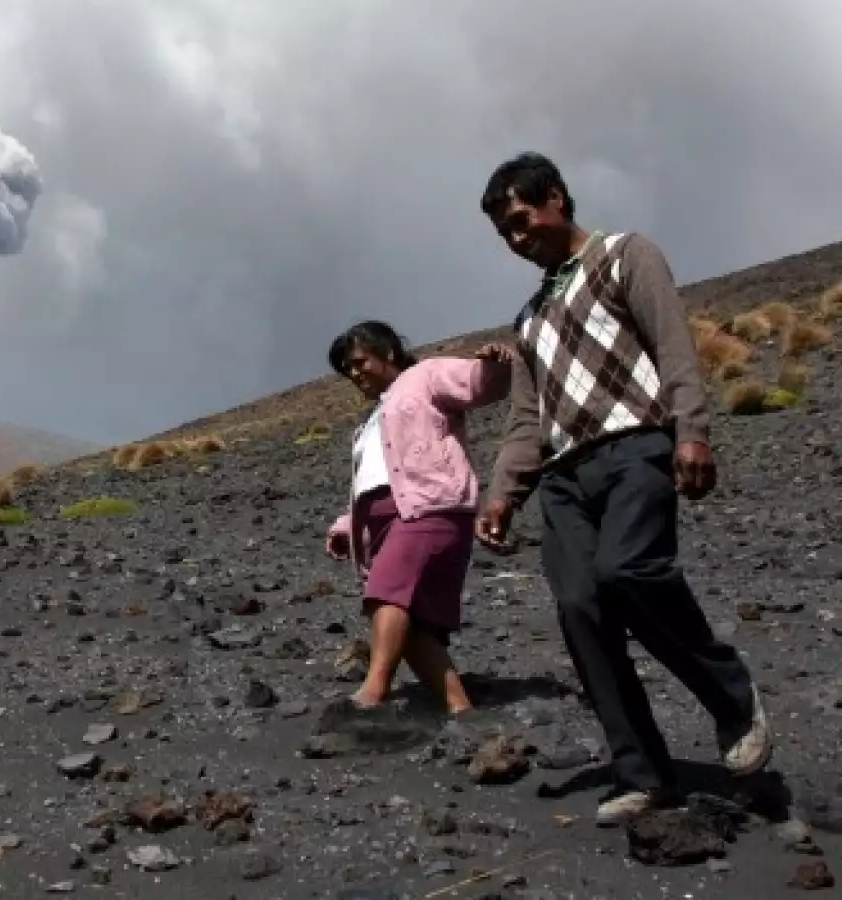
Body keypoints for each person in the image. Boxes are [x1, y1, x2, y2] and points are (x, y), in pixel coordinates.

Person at [472, 151, 773, 826]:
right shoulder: (529, 319)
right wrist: (502, 493)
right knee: (581, 607)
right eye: (506, 237)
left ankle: (733, 699)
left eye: (522, 221)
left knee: (631, 569)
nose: (519, 241)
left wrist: (691, 430)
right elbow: (528, 418)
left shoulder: (624, 255)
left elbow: (673, 346)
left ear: (555, 198)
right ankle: (642, 774)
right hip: (564, 479)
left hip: (637, 446)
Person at [324, 320, 514, 716]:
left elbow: (481, 385)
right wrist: (347, 526)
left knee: (386, 592)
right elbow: (371, 479)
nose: (355, 373)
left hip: (426, 507)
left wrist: (494, 365)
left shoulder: (424, 377)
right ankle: (459, 708)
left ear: (388, 353)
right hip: (380, 522)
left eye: (360, 362)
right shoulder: (368, 424)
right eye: (348, 369)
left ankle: (373, 693)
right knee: (413, 625)